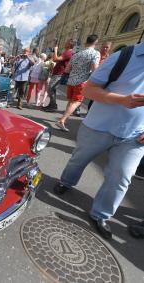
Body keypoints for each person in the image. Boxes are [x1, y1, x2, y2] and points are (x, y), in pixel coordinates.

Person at [52, 40, 144, 240]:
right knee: (79, 159)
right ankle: (66, 182)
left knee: (122, 177)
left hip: (135, 135)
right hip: (99, 126)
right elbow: (89, 90)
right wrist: (122, 100)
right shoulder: (124, 56)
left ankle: (100, 214)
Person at [56, 35, 100, 132]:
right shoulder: (95, 53)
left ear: (86, 42)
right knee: (77, 102)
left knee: (71, 101)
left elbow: (67, 70)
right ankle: (62, 120)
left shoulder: (76, 54)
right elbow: (94, 69)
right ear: (96, 42)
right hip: (82, 82)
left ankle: (64, 119)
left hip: (71, 81)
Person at [43, 39, 73, 112]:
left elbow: (55, 59)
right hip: (57, 73)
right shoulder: (67, 52)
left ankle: (53, 106)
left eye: (66, 43)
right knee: (52, 89)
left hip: (59, 74)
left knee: (51, 89)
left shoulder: (68, 52)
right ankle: (52, 105)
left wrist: (55, 50)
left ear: (69, 44)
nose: (64, 43)